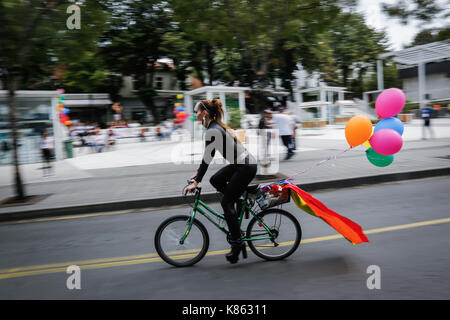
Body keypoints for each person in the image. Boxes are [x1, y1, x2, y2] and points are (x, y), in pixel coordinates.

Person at [185, 99, 257, 264]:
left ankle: (237, 244)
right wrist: (198, 175)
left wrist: (196, 182)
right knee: (215, 180)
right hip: (241, 164)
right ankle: (238, 199)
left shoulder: (213, 130)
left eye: (196, 112)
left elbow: (206, 159)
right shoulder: (213, 128)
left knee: (226, 203)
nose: (194, 115)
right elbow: (207, 157)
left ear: (204, 113)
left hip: (244, 167)